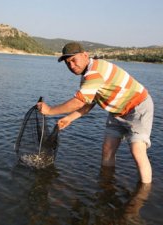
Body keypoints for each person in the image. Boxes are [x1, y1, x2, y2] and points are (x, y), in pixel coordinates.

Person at [37, 42, 154, 183]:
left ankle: (144, 194)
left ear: (85, 55)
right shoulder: (87, 75)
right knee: (107, 150)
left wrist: (50, 110)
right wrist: (69, 119)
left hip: (138, 106)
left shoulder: (94, 72)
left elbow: (79, 101)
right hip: (116, 111)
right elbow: (87, 104)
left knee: (137, 150)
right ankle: (106, 185)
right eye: (68, 63)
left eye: (74, 60)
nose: (72, 66)